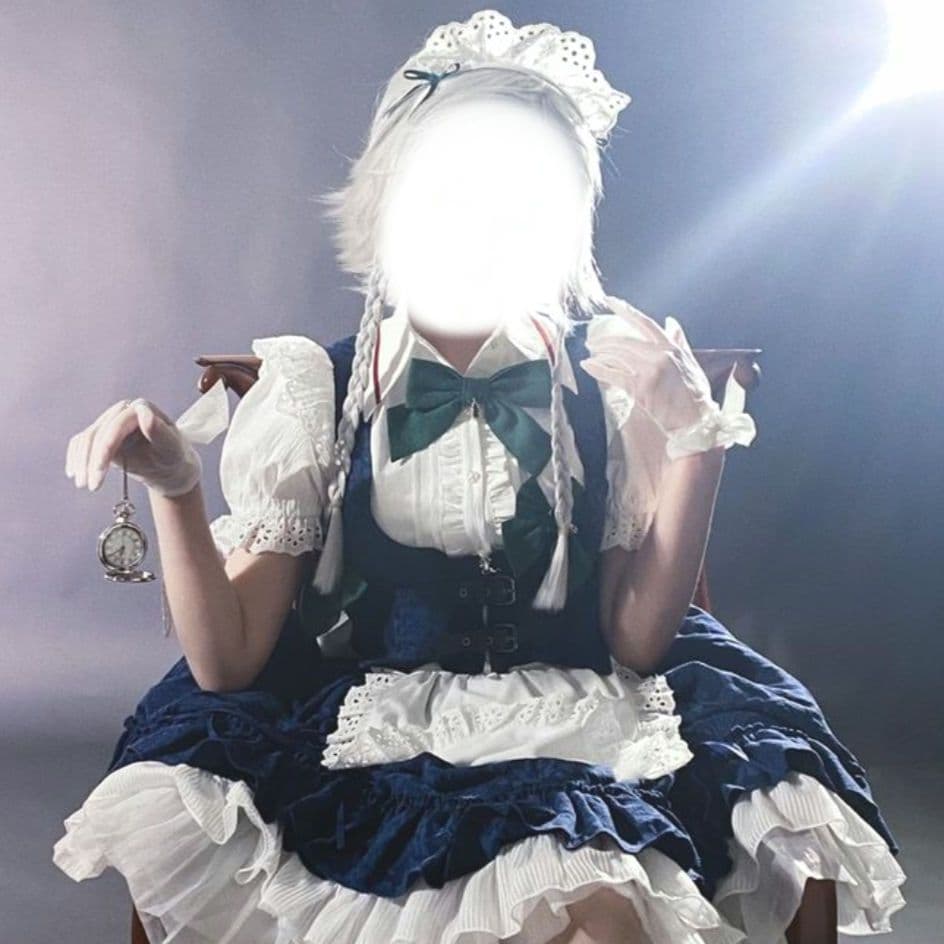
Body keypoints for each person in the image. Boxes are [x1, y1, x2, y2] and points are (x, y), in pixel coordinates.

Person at [54, 9, 906, 943]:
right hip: (376, 721)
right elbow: (229, 663)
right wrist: (178, 487)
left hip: (584, 709)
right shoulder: (317, 390)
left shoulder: (607, 379)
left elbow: (636, 638)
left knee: (606, 908)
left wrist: (693, 439)